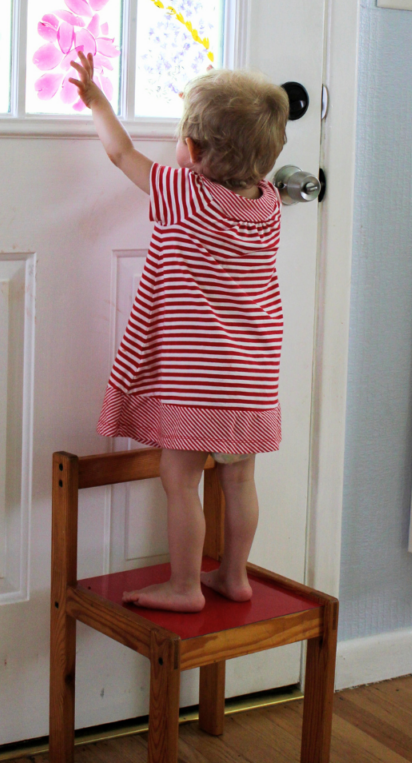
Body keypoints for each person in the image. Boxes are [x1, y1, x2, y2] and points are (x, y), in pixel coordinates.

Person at [69, 51, 289, 612]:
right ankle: (234, 577)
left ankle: (186, 586)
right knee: (239, 480)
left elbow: (120, 154)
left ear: (190, 151)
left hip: (197, 377)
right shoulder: (268, 205)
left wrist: (97, 102)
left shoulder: (182, 193)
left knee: (180, 478)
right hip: (253, 374)